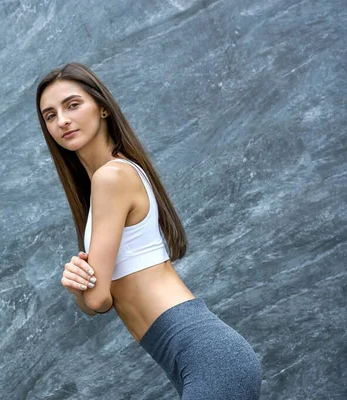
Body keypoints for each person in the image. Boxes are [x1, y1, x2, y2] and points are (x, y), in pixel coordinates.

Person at [35, 62, 262, 399]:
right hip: (196, 357)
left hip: (208, 356)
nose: (62, 120)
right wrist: (76, 286)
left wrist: (82, 286)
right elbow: (101, 302)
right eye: (50, 115)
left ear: (102, 108)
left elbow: (97, 298)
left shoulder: (111, 177)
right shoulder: (111, 176)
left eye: (72, 105)